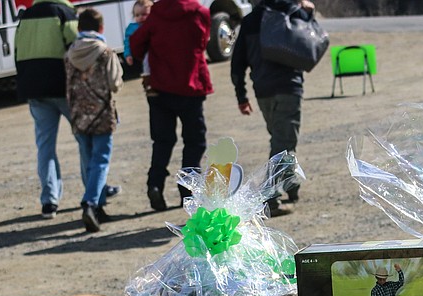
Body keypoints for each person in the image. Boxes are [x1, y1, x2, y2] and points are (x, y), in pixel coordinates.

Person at [14, 0, 118, 218]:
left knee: (45, 146)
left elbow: (17, 50)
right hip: (64, 90)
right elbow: (80, 49)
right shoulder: (64, 12)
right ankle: (95, 195)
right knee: (86, 141)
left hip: (33, 89)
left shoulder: (26, 15)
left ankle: (49, 201)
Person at [231, 0, 316, 217]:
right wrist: (310, 14)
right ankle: (271, 198)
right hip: (289, 87)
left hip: (263, 90)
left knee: (280, 141)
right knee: (283, 145)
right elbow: (311, 40)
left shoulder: (250, 21)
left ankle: (291, 185)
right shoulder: (295, 13)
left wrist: (242, 95)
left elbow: (237, 62)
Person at [129, 0, 212, 212]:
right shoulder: (200, 12)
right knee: (194, 141)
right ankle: (187, 189)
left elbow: (136, 43)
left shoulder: (157, 12)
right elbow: (203, 43)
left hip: (160, 88)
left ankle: (155, 184)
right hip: (190, 85)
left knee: (162, 140)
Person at [66, 8, 122, 233]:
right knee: (100, 161)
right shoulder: (105, 52)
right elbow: (115, 83)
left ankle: (98, 207)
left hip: (78, 115)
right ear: (101, 28)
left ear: (79, 28)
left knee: (88, 161)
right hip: (101, 114)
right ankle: (90, 203)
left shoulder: (69, 53)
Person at [123, 0, 154, 95]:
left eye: (144, 14)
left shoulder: (154, 24)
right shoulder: (132, 28)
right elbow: (127, 42)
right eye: (137, 15)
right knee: (147, 62)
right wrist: (128, 54)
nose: (141, 17)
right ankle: (148, 82)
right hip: (145, 54)